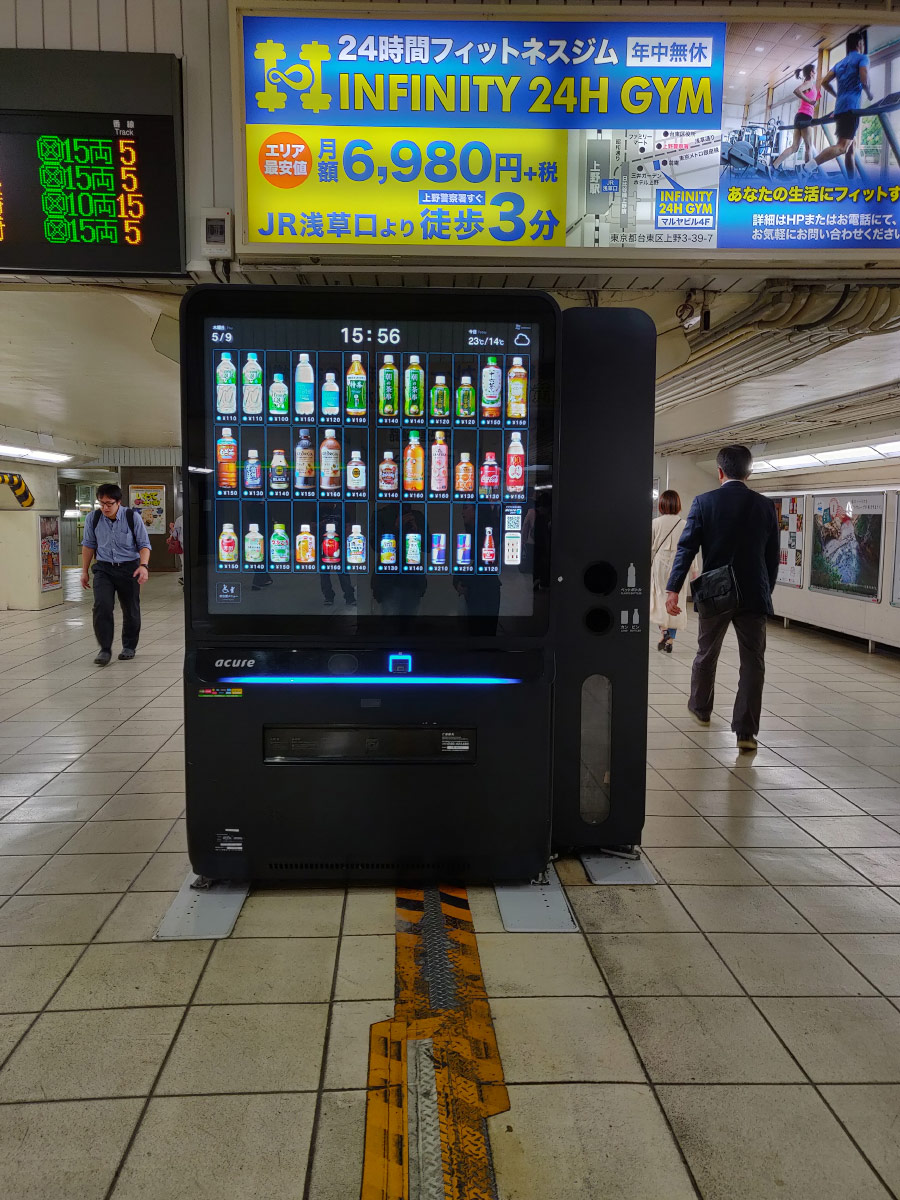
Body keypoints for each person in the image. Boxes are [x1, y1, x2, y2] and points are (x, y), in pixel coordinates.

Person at [665, 446, 779, 752]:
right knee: (753, 663)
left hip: (715, 592)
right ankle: (746, 732)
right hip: (754, 594)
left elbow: (686, 549)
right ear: (749, 472)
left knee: (707, 652)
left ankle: (701, 709)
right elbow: (772, 559)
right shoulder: (765, 507)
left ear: (719, 472)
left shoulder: (705, 502)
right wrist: (764, 591)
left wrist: (673, 589)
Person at [80, 483, 151, 666]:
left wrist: (143, 566)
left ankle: (129, 646)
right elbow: (88, 545)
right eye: (101, 503)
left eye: (109, 503)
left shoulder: (131, 517)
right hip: (104, 568)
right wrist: (84, 571)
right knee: (102, 606)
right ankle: (105, 649)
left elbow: (144, 545)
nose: (105, 507)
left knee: (130, 609)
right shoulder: (93, 518)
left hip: (129, 568)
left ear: (118, 502)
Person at [801, 32, 873, 178]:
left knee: (850, 149)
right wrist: (869, 94)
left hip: (840, 108)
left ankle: (851, 184)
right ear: (860, 44)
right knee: (842, 147)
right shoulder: (862, 58)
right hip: (851, 109)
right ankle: (807, 168)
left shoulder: (840, 63)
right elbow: (864, 79)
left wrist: (837, 95)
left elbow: (824, 82)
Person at [650, 490, 696, 654]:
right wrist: (694, 570)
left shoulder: (654, 523)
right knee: (676, 601)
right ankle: (670, 638)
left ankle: (664, 631)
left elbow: (649, 548)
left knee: (659, 599)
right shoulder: (685, 524)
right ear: (678, 504)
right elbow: (691, 550)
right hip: (680, 567)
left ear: (661, 504)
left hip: (659, 566)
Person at [771, 65, 819, 170]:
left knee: (795, 147)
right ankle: (806, 173)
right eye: (815, 72)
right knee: (808, 147)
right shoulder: (809, 83)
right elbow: (797, 91)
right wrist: (810, 101)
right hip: (805, 117)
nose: (815, 74)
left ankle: (773, 166)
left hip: (799, 116)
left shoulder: (809, 84)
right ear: (811, 72)